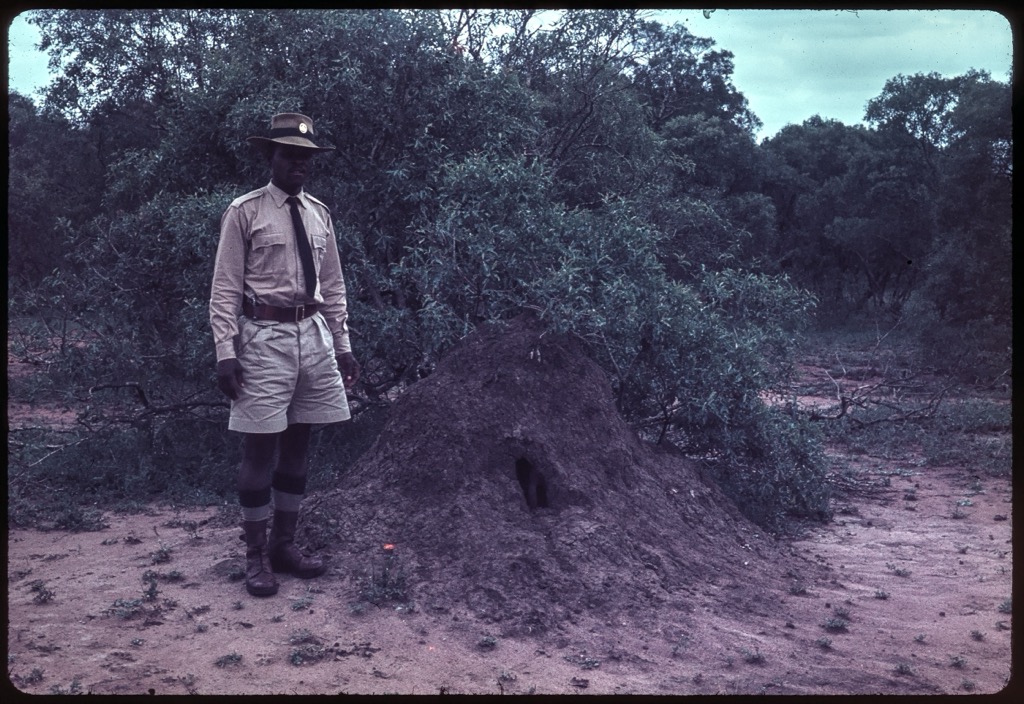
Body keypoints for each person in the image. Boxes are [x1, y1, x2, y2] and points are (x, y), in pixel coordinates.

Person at [209, 112, 360, 597]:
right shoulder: (245, 211)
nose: (299, 163)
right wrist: (225, 352)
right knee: (259, 448)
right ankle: (254, 557)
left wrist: (343, 346)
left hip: (311, 337)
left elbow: (333, 286)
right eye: (290, 154)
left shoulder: (319, 214)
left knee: (299, 446)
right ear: (269, 157)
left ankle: (284, 546)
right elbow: (225, 288)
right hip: (262, 338)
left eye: (307, 156)